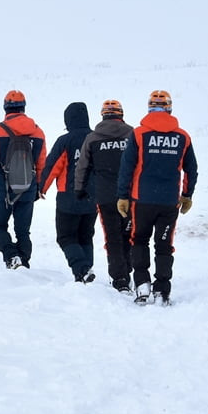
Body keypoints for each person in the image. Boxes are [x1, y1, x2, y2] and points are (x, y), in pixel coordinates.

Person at [116, 90, 197, 305]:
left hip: (141, 200)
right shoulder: (183, 136)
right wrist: (187, 195)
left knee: (139, 240)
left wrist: (122, 195)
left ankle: (142, 284)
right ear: (169, 108)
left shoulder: (138, 134)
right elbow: (192, 169)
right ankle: (162, 289)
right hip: (169, 202)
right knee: (164, 245)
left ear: (149, 108)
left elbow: (126, 167)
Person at [0, 90, 47, 269]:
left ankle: (12, 256)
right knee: (23, 231)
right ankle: (24, 262)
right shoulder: (37, 132)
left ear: (6, 108)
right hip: (27, 190)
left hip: (2, 191)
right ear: (23, 107)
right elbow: (42, 164)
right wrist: (39, 188)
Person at [74, 100, 134, 293]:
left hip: (106, 196)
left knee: (113, 238)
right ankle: (128, 271)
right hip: (131, 195)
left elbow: (82, 167)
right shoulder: (133, 134)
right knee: (129, 235)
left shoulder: (92, 138)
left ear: (103, 116)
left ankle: (120, 279)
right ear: (121, 115)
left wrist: (79, 189)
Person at [41, 102, 97, 283]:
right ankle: (86, 271)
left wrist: (41, 188)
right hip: (92, 198)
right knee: (85, 236)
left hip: (69, 197)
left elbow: (52, 167)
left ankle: (82, 269)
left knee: (66, 237)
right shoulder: (96, 138)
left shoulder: (65, 141)